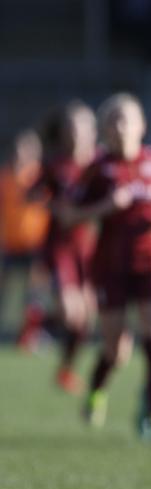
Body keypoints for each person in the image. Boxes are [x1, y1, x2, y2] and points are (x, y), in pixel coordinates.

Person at [64, 93, 151, 448]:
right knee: (117, 351)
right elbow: (69, 215)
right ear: (103, 129)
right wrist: (105, 206)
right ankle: (97, 389)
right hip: (111, 268)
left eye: (126, 119)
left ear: (141, 125)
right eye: (113, 121)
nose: (120, 127)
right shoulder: (98, 168)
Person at [33, 100, 99, 393]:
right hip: (60, 249)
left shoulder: (100, 162)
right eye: (72, 128)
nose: (77, 134)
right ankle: (38, 323)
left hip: (90, 249)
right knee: (72, 312)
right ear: (63, 133)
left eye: (82, 127)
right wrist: (52, 205)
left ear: (92, 130)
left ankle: (65, 369)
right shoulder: (54, 164)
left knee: (87, 317)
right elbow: (32, 194)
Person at [0, 129, 51, 351]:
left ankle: (29, 336)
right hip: (11, 244)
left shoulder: (42, 177)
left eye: (27, 148)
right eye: (19, 148)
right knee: (5, 290)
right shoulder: (5, 178)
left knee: (34, 294)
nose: (22, 152)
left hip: (35, 245)